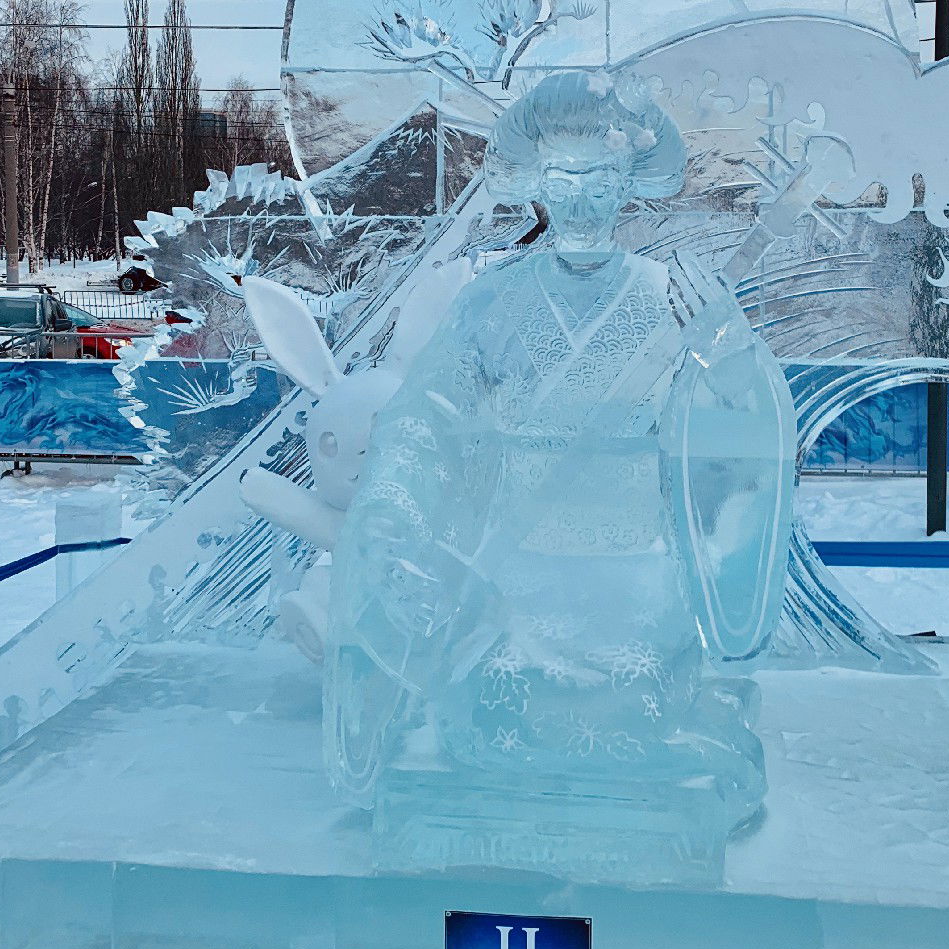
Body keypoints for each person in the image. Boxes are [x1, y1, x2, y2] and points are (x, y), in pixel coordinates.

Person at [325, 70, 796, 832]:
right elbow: (425, 421)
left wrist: (731, 355)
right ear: (538, 182)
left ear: (631, 183)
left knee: (637, 707)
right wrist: (389, 515)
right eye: (564, 179)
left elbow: (740, 447)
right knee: (486, 703)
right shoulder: (489, 301)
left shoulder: (673, 298)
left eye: (601, 179)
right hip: (515, 584)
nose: (581, 200)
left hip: (638, 581)